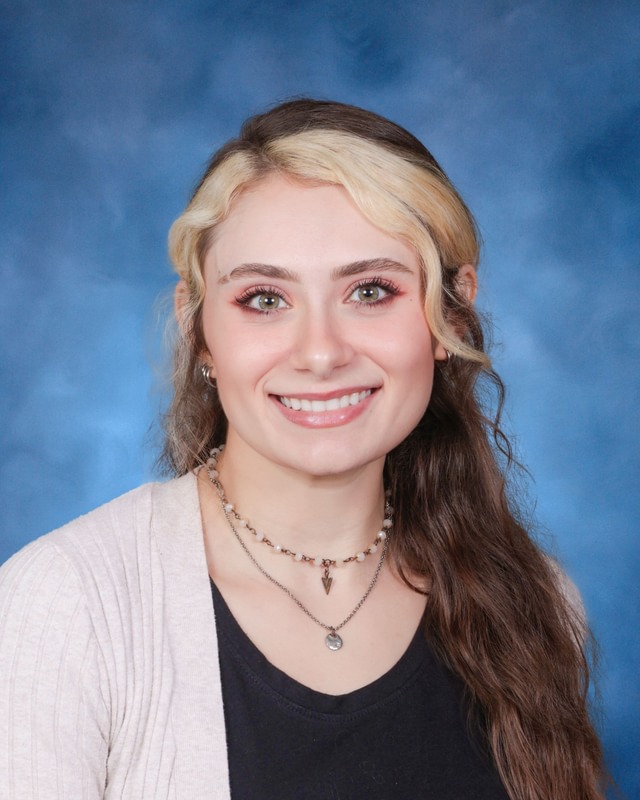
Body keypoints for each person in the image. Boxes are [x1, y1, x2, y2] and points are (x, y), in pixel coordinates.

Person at [0, 99, 607, 799]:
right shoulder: (66, 606)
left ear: (452, 314)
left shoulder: (538, 604)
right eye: (264, 299)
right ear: (199, 331)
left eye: (371, 291)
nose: (320, 353)